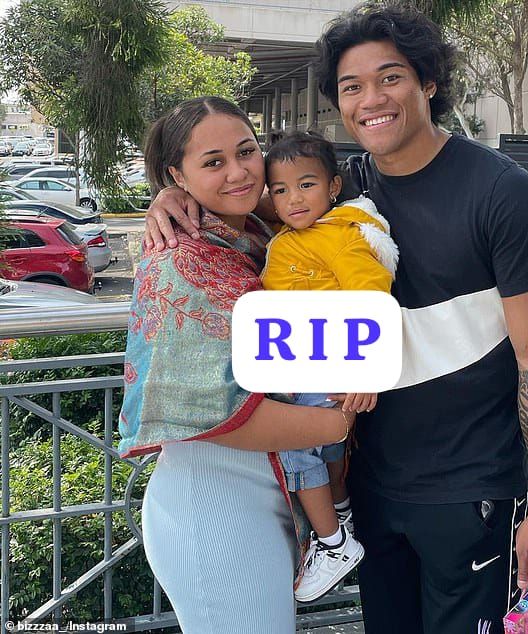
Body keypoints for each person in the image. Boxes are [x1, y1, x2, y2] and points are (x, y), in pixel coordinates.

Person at [142, 4, 528, 633]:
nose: (371, 99)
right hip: (372, 489)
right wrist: (170, 194)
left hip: (472, 491)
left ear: (429, 82)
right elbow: (237, 197)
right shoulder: (340, 190)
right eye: (352, 86)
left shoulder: (503, 194)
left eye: (390, 77)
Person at [118, 96, 355, 634]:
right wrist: (342, 423)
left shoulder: (254, 233)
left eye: (246, 152)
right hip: (214, 507)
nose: (239, 172)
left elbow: (313, 186)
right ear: (177, 175)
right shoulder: (181, 260)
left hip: (272, 487)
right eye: (213, 162)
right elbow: (212, 415)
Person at [262, 129, 399, 602]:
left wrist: (366, 370)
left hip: (324, 365)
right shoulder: (300, 234)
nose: (294, 199)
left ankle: (334, 544)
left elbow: (373, 297)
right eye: (281, 190)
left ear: (333, 186)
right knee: (326, 451)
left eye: (307, 185)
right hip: (309, 362)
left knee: (295, 449)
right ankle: (341, 513)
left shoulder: (339, 236)